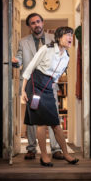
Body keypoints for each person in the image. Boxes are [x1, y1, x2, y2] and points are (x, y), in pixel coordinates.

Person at [21, 26, 79, 167]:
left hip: (48, 87)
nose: (70, 37)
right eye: (67, 35)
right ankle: (44, 156)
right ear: (59, 37)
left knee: (56, 123)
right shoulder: (46, 49)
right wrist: (23, 90)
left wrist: (53, 86)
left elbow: (57, 76)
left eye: (71, 35)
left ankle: (66, 154)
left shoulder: (66, 57)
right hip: (35, 85)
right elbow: (30, 67)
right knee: (41, 123)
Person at [12, 13, 64, 160]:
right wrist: (16, 62)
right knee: (33, 114)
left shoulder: (53, 40)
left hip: (48, 85)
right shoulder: (23, 42)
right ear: (29, 26)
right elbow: (20, 58)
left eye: (38, 22)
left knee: (52, 116)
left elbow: (59, 59)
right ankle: (31, 148)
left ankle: (56, 149)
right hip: (33, 86)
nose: (36, 25)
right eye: (33, 23)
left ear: (43, 22)